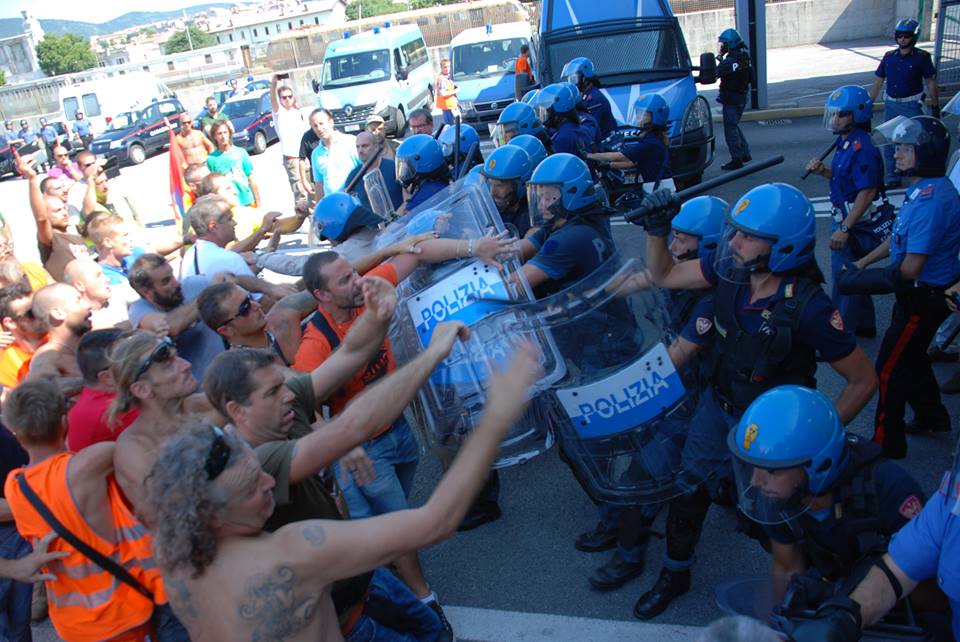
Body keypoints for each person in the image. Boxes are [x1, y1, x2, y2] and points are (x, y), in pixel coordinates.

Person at [142, 344, 538, 642]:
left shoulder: (175, 557)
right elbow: (436, 520)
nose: (268, 481)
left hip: (361, 590)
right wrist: (496, 417)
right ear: (211, 515)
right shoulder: (291, 552)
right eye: (251, 487)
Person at [627, 182, 877, 620]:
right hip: (717, 409)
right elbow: (665, 274)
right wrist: (656, 228)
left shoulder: (809, 307)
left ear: (783, 247)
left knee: (776, 523)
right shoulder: (728, 271)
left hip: (773, 440)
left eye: (746, 235)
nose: (734, 241)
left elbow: (862, 380)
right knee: (688, 492)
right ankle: (675, 571)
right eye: (734, 231)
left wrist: (814, 441)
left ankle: (802, 601)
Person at [581, 196, 723, 591]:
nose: (673, 248)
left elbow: (676, 359)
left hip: (695, 399)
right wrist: (576, 304)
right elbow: (629, 283)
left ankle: (630, 558)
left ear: (708, 248)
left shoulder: (711, 299)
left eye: (682, 241)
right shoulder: (679, 270)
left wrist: (616, 389)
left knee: (642, 477)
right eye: (673, 236)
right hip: (681, 392)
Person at [3, 378, 185, 642]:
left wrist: (17, 567)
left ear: (16, 433)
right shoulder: (91, 464)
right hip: (123, 613)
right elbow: (138, 439)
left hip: (73, 623)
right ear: (64, 422)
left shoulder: (15, 487)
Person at [728, 385, 925, 601]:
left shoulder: (891, 490)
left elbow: (928, 584)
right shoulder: (775, 495)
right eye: (753, 468)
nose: (756, 482)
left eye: (772, 471)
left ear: (819, 466)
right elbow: (787, 569)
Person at [840, 116, 960, 459]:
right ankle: (932, 417)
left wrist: (858, 282)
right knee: (911, 357)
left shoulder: (931, 202)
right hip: (920, 295)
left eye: (906, 149)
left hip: (922, 298)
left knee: (889, 368)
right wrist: (862, 263)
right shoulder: (924, 190)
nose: (897, 155)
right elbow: (898, 241)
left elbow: (910, 268)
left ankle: (885, 443)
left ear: (926, 154)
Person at [110, 331, 221, 523]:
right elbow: (181, 514)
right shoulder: (135, 449)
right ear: (142, 389)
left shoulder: (201, 406)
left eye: (177, 356)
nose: (186, 365)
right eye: (169, 365)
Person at [805, 86, 885, 338]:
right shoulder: (845, 142)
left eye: (842, 115)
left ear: (858, 115)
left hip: (853, 222)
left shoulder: (862, 147)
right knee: (855, 273)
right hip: (850, 217)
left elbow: (867, 192)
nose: (836, 119)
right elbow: (846, 180)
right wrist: (823, 172)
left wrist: (844, 228)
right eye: (835, 114)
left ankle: (840, 334)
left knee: (843, 278)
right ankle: (864, 323)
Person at [179, 195, 296, 307]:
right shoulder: (228, 258)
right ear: (213, 226)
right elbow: (263, 304)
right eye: (229, 219)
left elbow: (241, 278)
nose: (234, 223)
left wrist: (266, 254)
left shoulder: (188, 256)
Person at [127, 253, 227, 381]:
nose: (176, 284)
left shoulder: (192, 285)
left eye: (172, 275)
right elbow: (171, 326)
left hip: (229, 372)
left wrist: (260, 286)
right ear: (147, 292)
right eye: (166, 281)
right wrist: (209, 294)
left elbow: (230, 279)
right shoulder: (139, 309)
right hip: (199, 388)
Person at [869, 18, 939, 188]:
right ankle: (893, 176)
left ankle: (919, 173)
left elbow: (930, 82)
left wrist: (935, 105)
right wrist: (868, 104)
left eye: (906, 36)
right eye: (899, 36)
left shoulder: (922, 58)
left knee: (915, 141)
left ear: (913, 37)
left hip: (912, 105)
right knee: (889, 141)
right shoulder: (889, 58)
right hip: (892, 104)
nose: (902, 40)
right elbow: (878, 81)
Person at [197, 283, 315, 366]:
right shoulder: (244, 369)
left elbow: (326, 287)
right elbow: (307, 385)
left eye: (250, 298)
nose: (257, 305)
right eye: (245, 308)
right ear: (226, 330)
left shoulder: (283, 316)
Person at [66, 328, 139, 451]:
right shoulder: (116, 411)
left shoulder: (94, 396)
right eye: (131, 358)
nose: (141, 360)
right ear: (107, 377)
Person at [22, 156, 89, 282]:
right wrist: (32, 179)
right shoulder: (50, 239)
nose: (64, 213)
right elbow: (41, 219)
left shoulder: (73, 234)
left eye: (63, 209)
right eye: (57, 211)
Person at [587, 93, 672, 186]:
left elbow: (620, 156)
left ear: (656, 117)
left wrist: (589, 155)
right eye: (638, 113)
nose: (638, 117)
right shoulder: (651, 138)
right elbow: (632, 163)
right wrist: (607, 166)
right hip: (656, 186)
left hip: (660, 189)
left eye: (643, 114)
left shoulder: (651, 142)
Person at [27, 283, 92, 383]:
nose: (88, 305)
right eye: (78, 301)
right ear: (57, 314)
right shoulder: (48, 356)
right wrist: (89, 383)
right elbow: (37, 392)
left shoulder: (90, 344)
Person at [529, 83, 597, 159]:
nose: (544, 115)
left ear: (558, 110)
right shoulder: (581, 129)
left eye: (546, 111)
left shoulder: (562, 138)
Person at [716, 28, 752, 170]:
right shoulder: (744, 57)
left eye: (724, 44)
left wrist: (719, 57)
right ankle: (745, 153)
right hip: (742, 96)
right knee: (734, 125)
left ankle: (737, 159)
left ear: (730, 44)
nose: (722, 47)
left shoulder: (728, 62)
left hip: (731, 99)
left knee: (730, 128)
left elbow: (714, 73)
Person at [479, 144, 534, 237]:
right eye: (490, 184)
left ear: (521, 185)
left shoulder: (530, 218)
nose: (492, 192)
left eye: (499, 186)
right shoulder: (494, 207)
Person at [271, 76, 310, 204]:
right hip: (291, 158)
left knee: (311, 188)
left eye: (289, 96)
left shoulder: (297, 112)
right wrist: (274, 82)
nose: (287, 99)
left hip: (304, 156)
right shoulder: (278, 112)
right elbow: (272, 98)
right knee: (300, 193)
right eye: (284, 97)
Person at [0, 284, 45, 392]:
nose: (41, 315)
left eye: (41, 308)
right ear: (10, 323)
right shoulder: (6, 367)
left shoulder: (62, 337)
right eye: (31, 313)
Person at [310, 108, 361, 202]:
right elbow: (319, 185)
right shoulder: (315, 154)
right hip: (334, 207)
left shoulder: (351, 142)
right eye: (315, 126)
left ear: (331, 123)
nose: (319, 128)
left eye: (321, 124)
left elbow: (366, 169)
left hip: (356, 203)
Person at [344, 131, 403, 211]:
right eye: (358, 147)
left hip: (400, 221)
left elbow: (409, 197)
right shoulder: (353, 176)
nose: (360, 150)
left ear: (376, 147)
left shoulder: (394, 168)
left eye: (365, 146)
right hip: (370, 223)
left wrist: (399, 216)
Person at [62, 258, 128, 329]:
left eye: (103, 274)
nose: (107, 279)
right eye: (98, 276)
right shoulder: (82, 323)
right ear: (80, 285)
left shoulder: (119, 292)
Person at [207, 120, 260, 207]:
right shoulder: (211, 159)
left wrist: (259, 204)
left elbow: (251, 179)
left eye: (225, 132)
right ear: (214, 136)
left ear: (229, 134)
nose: (223, 136)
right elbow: (213, 187)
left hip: (247, 201)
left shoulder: (241, 152)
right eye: (219, 134)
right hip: (228, 205)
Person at [562, 56, 617, 140]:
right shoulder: (585, 95)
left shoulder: (595, 99)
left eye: (573, 79)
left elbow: (590, 130)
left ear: (584, 78)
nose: (571, 83)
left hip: (603, 145)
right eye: (569, 79)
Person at [395, 134, 451, 213]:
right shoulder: (438, 183)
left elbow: (397, 222)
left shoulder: (426, 193)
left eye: (408, 166)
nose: (405, 171)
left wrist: (406, 201)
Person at [435, 58, 460, 126]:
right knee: (451, 127)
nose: (447, 69)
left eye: (448, 66)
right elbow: (443, 93)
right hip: (447, 107)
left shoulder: (447, 77)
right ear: (441, 68)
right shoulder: (441, 79)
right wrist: (455, 91)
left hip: (451, 105)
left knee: (457, 124)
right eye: (445, 67)